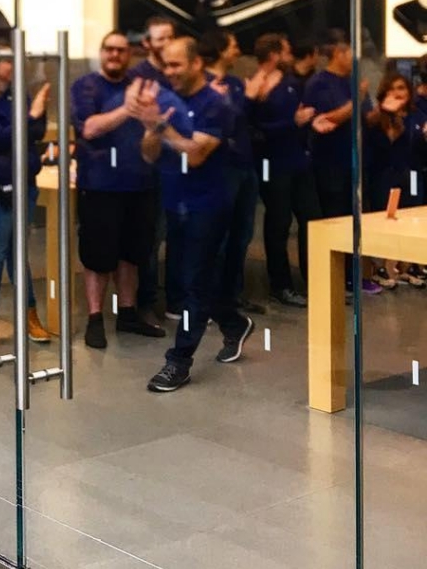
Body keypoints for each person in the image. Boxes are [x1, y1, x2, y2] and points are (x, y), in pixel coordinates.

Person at [128, 37, 253, 394]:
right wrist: (152, 127)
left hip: (208, 205)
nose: (170, 73)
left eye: (176, 65)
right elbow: (150, 154)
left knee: (192, 284)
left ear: (197, 63)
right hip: (174, 201)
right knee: (189, 279)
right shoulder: (168, 101)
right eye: (166, 66)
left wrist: (162, 127)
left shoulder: (218, 104)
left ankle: (178, 360)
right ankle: (233, 322)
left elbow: (196, 154)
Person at [72, 31, 167, 350]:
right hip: (99, 186)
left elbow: (153, 141)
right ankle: (95, 318)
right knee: (98, 256)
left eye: (121, 50)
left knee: (132, 255)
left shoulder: (143, 89)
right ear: (101, 53)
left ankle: (127, 314)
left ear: (130, 55)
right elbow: (89, 128)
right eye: (109, 49)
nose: (115, 55)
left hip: (140, 185)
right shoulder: (85, 86)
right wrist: (127, 109)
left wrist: (153, 125)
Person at [0, 48, 51, 349]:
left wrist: (37, 113)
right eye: (8, 60)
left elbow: (35, 133)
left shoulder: (18, 96)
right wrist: (32, 113)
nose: (14, 64)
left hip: (25, 183)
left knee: (18, 255)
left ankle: (30, 316)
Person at [246, 34, 318, 305]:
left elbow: (299, 116)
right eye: (286, 50)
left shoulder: (291, 83)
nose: (291, 55)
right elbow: (255, 130)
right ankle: (281, 284)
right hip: (273, 164)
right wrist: (293, 122)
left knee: (312, 219)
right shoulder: (258, 86)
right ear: (275, 54)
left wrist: (309, 124)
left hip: (299, 161)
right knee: (278, 222)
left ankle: (315, 278)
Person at [303, 30, 376, 293]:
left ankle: (354, 274)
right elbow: (329, 119)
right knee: (335, 219)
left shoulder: (353, 81)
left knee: (356, 218)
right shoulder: (319, 83)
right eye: (351, 54)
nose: (355, 59)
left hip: (356, 163)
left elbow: (367, 117)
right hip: (330, 163)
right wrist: (356, 98)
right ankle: (335, 277)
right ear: (338, 53)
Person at [199, 29, 264, 315]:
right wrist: (247, 99)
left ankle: (232, 295)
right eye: (234, 44)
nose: (238, 49)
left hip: (244, 165)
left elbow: (244, 118)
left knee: (242, 234)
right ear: (220, 49)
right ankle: (212, 299)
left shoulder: (235, 82)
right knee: (219, 237)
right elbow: (226, 118)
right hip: (221, 168)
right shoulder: (203, 84)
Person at [128, 16, 177, 316]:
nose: (166, 44)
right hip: (149, 169)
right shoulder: (139, 75)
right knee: (151, 237)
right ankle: (146, 300)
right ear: (147, 43)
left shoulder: (176, 71)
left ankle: (174, 299)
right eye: (160, 38)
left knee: (177, 236)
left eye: (170, 37)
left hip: (178, 165)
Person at [363, 72, 427, 286]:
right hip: (383, 175)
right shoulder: (377, 116)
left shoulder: (415, 114)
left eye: (401, 89)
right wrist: (390, 116)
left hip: (409, 173)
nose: (397, 93)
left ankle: (402, 267)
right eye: (392, 89)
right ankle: (378, 268)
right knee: (383, 220)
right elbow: (384, 145)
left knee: (408, 220)